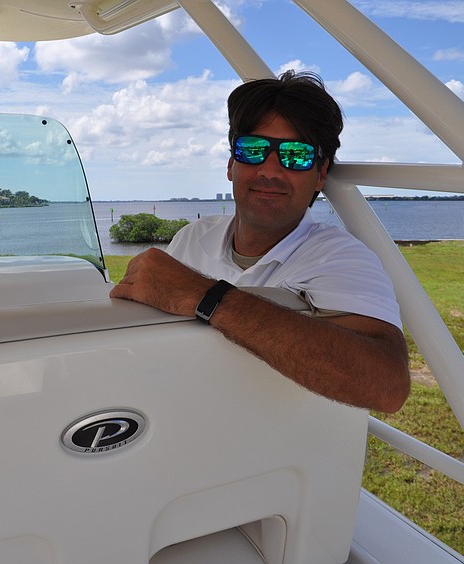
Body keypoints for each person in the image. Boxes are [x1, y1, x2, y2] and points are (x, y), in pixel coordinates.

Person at [110, 71, 410, 413]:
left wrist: (202, 295)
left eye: (296, 155)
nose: (270, 169)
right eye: (252, 150)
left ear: (321, 173)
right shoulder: (192, 237)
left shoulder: (339, 258)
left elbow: (387, 387)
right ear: (230, 165)